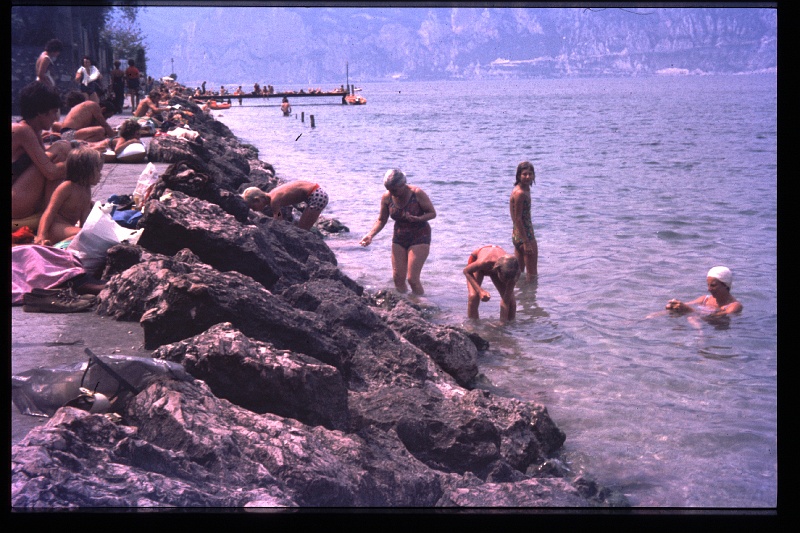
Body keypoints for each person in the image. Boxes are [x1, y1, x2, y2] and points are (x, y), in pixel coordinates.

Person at [360, 169, 437, 295]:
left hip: (420, 236)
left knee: (412, 279)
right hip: (399, 237)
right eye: (388, 189)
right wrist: (370, 235)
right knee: (398, 278)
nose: (391, 192)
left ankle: (422, 305)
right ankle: (407, 303)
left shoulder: (417, 193)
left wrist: (419, 218)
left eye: (394, 189)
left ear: (403, 185)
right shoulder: (387, 196)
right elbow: (381, 220)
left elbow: (432, 213)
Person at [12, 82, 71, 221]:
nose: (55, 118)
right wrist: (75, 164)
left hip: (20, 196)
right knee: (61, 149)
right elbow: (50, 172)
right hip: (15, 202)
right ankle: (52, 215)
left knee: (61, 150)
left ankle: (53, 212)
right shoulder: (22, 130)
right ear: (40, 112)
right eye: (53, 112)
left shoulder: (34, 130)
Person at [34, 146, 103, 246]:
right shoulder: (66, 187)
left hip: (69, 228)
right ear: (85, 171)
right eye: (98, 171)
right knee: (84, 236)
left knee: (89, 236)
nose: (100, 175)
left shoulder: (86, 190)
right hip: (55, 228)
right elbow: (49, 212)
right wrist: (41, 235)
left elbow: (85, 218)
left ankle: (64, 244)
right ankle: (57, 247)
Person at [242, 181, 329, 231]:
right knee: (302, 226)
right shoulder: (273, 193)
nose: (255, 210)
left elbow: (278, 217)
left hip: (316, 196)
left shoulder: (274, 201)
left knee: (303, 229)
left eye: (253, 207)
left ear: (258, 200)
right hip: (316, 191)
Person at [464, 245, 520, 321]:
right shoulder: (483, 262)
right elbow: (466, 271)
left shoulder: (514, 270)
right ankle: (473, 326)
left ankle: (510, 326)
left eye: (508, 281)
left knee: (511, 302)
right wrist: (480, 291)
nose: (507, 283)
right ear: (498, 272)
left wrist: (502, 324)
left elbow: (505, 301)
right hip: (478, 262)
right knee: (473, 296)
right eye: (504, 280)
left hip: (499, 266)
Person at [666, 266, 743, 317]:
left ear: (725, 285)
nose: (709, 289)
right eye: (708, 285)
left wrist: (689, 310)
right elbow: (685, 305)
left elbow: (714, 318)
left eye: (713, 285)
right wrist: (674, 306)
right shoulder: (705, 299)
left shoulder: (734, 306)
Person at [510, 161, 538, 281]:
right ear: (518, 175)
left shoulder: (522, 189)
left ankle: (520, 297)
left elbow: (514, 216)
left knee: (519, 274)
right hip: (526, 236)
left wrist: (517, 235)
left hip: (517, 235)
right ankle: (530, 298)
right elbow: (517, 218)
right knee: (532, 276)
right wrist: (526, 242)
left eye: (530, 174)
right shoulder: (520, 193)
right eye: (524, 174)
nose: (527, 177)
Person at [52, 96, 117, 142]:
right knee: (101, 130)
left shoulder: (89, 110)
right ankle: (78, 144)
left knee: (101, 134)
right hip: (70, 134)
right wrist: (114, 139)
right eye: (106, 117)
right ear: (103, 109)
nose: (105, 119)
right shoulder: (94, 106)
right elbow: (104, 125)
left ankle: (75, 142)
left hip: (67, 133)